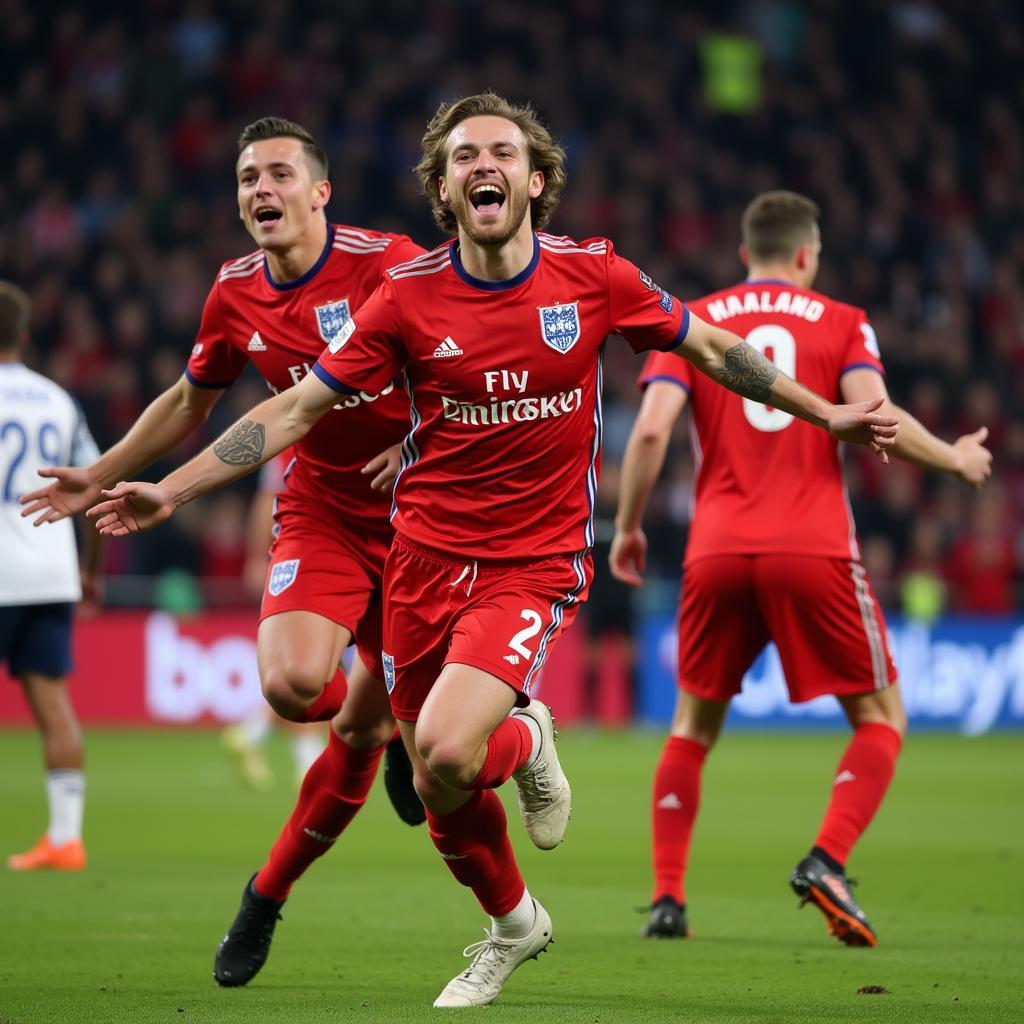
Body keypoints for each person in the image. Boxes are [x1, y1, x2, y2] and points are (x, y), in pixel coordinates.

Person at [85, 96, 898, 1007]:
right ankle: (516, 921)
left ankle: (519, 737)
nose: (485, 165)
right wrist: (172, 487)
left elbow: (711, 345)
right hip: (422, 558)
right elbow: (293, 410)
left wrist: (826, 411)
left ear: (534, 179)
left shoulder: (594, 278)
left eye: (503, 152)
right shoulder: (405, 298)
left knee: (442, 746)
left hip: (532, 564)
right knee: (436, 785)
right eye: (464, 154)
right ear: (442, 186)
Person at [19, 116, 427, 983]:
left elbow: (460, 358)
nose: (261, 190)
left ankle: (367, 781)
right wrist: (101, 473)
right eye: (248, 178)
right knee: (289, 686)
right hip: (321, 507)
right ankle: (386, 721)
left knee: (435, 768)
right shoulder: (235, 288)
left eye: (279, 173)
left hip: (423, 517)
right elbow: (188, 398)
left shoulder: (390, 261)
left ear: (321, 191)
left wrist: (424, 434)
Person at [609, 190, 992, 947]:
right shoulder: (844, 321)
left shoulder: (691, 318)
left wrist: (626, 527)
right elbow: (876, 419)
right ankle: (826, 858)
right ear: (808, 256)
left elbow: (651, 431)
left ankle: (667, 901)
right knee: (881, 719)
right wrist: (954, 460)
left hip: (716, 551)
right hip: (813, 548)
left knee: (690, 729)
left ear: (746, 254)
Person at [1, 281, 103, 872]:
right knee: (54, 706)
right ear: (23, 334)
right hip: (48, 570)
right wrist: (90, 572)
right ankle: (65, 838)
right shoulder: (57, 400)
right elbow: (90, 487)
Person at [221, 449, 327, 790]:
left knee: (320, 668)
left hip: (317, 556)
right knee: (314, 666)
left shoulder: (294, 436)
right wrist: (255, 557)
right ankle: (307, 759)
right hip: (311, 557)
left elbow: (264, 499)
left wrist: (255, 557)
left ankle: (254, 732)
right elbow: (267, 499)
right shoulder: (295, 441)